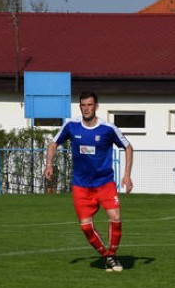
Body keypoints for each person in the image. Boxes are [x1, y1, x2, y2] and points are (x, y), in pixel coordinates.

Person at [44, 91, 134, 272]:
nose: (86, 109)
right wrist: (49, 164)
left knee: (115, 217)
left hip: (105, 183)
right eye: (83, 105)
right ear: (80, 107)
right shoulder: (71, 125)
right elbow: (53, 143)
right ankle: (107, 256)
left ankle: (112, 254)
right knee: (85, 227)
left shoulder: (108, 128)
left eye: (90, 105)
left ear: (96, 106)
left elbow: (128, 147)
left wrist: (127, 174)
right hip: (81, 185)